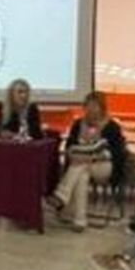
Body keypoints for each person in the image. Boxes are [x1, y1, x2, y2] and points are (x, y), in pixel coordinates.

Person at [49, 92, 124, 231]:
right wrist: (75, 154)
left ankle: (61, 195)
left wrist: (90, 156)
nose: (91, 109)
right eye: (88, 106)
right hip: (83, 165)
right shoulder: (78, 124)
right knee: (82, 174)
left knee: (80, 165)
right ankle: (80, 221)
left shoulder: (112, 126)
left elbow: (116, 153)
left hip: (105, 166)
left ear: (102, 108)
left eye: (95, 106)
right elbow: (69, 146)